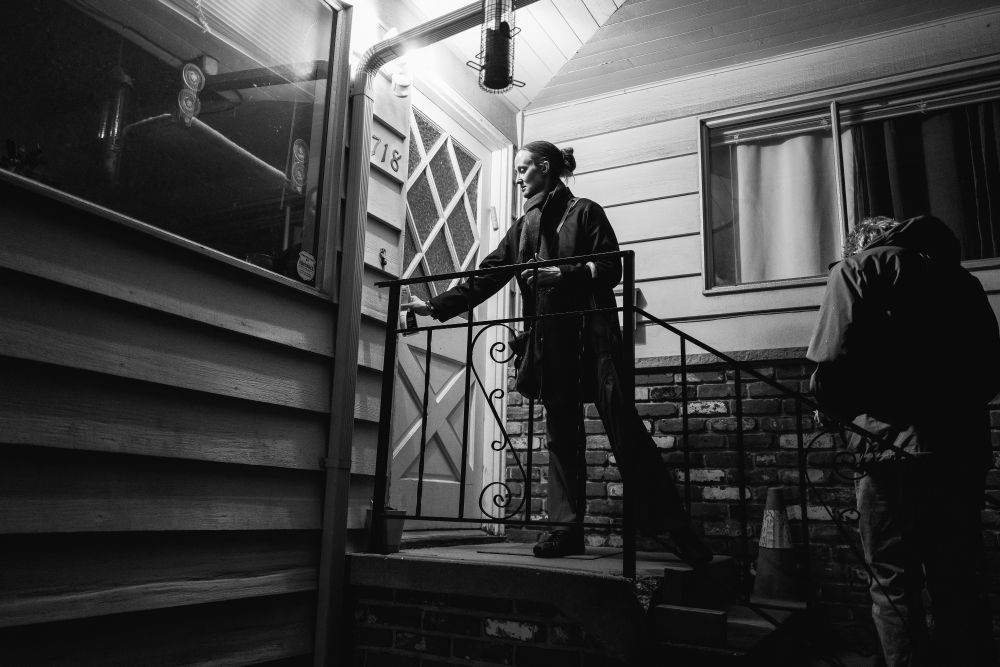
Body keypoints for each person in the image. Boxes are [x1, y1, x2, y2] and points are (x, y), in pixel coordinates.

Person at [407, 140, 711, 564]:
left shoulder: (585, 211)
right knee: (561, 436)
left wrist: (563, 273)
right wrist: (435, 305)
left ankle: (674, 530)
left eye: (523, 168)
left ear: (545, 168)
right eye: (515, 170)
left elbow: (611, 266)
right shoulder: (523, 227)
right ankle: (566, 530)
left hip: (596, 337)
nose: (517, 177)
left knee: (624, 430)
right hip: (551, 344)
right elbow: (487, 277)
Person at [807, 215, 1000, 666]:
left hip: (888, 451)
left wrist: (832, 404)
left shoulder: (855, 271)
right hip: (961, 451)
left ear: (859, 244)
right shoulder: (962, 280)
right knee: (959, 579)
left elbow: (831, 364)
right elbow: (991, 370)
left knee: (893, 581)